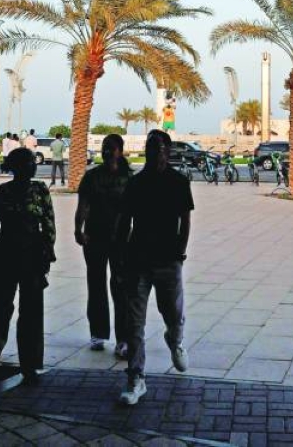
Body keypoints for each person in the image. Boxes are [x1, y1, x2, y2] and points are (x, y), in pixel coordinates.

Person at [115, 130, 192, 406]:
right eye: (150, 148)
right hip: (138, 261)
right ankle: (136, 377)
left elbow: (185, 221)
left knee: (173, 312)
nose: (154, 154)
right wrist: (121, 255)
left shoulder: (179, 182)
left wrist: (179, 253)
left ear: (167, 152)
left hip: (168, 260)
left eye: (159, 149)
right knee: (134, 322)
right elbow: (125, 221)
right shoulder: (136, 184)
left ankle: (175, 339)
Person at [0, 147, 56, 383]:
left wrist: (47, 254)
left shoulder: (40, 190)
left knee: (31, 312)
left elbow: (49, 225)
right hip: (6, 253)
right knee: (0, 308)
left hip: (33, 254)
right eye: (29, 162)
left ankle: (29, 365)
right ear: (17, 167)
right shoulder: (0, 192)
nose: (33, 166)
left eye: (33, 162)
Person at [76, 134, 132, 357]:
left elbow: (134, 211)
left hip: (121, 240)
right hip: (95, 238)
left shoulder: (128, 178)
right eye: (105, 148)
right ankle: (98, 332)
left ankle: (124, 338)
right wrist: (77, 229)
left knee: (121, 288)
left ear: (120, 150)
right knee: (96, 284)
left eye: (112, 148)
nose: (107, 151)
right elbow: (83, 205)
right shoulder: (92, 177)